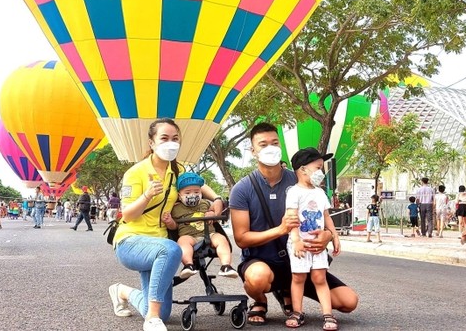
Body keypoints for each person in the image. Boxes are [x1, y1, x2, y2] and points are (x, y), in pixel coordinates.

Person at [229, 123, 358, 326]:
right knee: (257, 277)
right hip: (263, 262)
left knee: (348, 302)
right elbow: (242, 239)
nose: (270, 148)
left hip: (300, 261)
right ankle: (261, 301)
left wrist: (327, 235)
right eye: (263, 144)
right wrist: (280, 230)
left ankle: (289, 290)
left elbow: (320, 214)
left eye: (274, 142)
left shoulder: (300, 181)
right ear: (253, 151)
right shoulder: (242, 189)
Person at [108, 118, 224, 331]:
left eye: (175, 139)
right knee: (171, 249)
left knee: (165, 312)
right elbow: (128, 215)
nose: (170, 143)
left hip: (159, 242)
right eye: (164, 138)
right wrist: (146, 195)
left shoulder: (178, 169)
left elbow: (201, 185)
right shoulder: (135, 172)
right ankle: (152, 318)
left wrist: (217, 199)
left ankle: (122, 292)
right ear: (151, 143)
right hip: (131, 241)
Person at [284, 148, 341, 329]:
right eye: (318, 168)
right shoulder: (294, 192)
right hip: (300, 243)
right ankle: (297, 312)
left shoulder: (320, 193)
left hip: (318, 246)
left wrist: (334, 236)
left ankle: (328, 314)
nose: (321, 172)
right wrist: (296, 241)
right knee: (298, 277)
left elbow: (326, 217)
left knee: (319, 277)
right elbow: (292, 218)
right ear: (303, 169)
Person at [162, 172, 237, 279]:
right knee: (182, 242)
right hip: (189, 235)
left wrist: (211, 213)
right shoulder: (176, 208)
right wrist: (169, 222)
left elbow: (214, 213)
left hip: (209, 234)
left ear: (201, 192)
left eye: (196, 191)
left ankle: (226, 266)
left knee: (221, 239)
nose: (192, 195)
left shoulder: (205, 203)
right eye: (187, 193)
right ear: (179, 195)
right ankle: (188, 265)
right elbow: (175, 227)